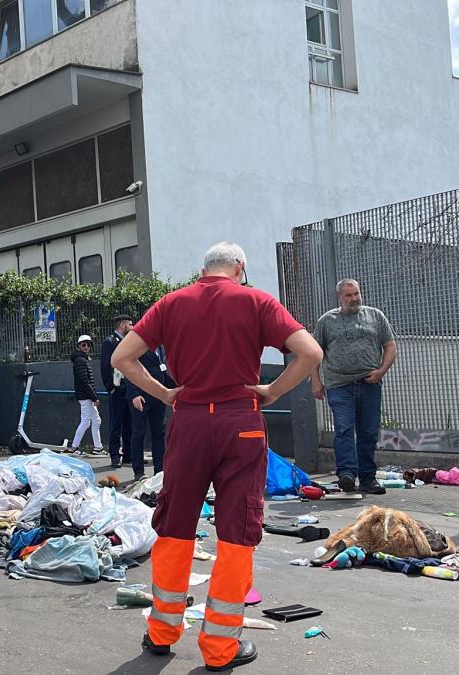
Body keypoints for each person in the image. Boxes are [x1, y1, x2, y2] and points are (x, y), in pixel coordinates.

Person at [113, 241, 321, 672]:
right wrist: (273, 390)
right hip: (240, 420)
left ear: (203, 268)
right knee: (236, 528)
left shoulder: (171, 304)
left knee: (174, 524)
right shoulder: (257, 301)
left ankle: (162, 632)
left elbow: (123, 358)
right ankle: (220, 648)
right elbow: (310, 353)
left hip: (188, 422)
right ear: (240, 268)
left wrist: (167, 393)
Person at [311, 279, 397, 496]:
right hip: (339, 385)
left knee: (368, 433)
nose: (354, 298)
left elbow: (390, 345)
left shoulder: (375, 316)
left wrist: (381, 371)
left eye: (356, 293)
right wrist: (316, 381)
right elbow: (313, 353)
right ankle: (347, 474)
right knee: (344, 428)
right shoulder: (327, 321)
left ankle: (368, 478)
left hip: (369, 383)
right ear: (339, 297)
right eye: (348, 295)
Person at [125, 346, 175, 478]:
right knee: (138, 433)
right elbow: (127, 367)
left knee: (159, 433)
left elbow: (162, 372)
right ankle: (139, 472)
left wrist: (177, 388)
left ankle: (159, 470)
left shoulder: (161, 347)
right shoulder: (139, 344)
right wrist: (133, 394)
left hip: (158, 396)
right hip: (141, 397)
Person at [100, 315, 134, 468]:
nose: (132, 327)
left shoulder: (129, 342)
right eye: (130, 324)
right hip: (118, 388)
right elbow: (105, 366)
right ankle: (115, 455)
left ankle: (128, 454)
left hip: (129, 388)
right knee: (116, 422)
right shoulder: (110, 342)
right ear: (122, 325)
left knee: (129, 422)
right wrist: (111, 388)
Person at [70, 335, 103, 452]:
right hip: (86, 396)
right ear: (79, 346)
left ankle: (98, 447)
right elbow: (85, 381)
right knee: (86, 421)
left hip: (86, 395)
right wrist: (94, 397)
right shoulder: (80, 360)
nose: (86, 347)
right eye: (84, 344)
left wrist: (92, 397)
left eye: (88, 345)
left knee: (95, 420)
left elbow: (85, 381)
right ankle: (75, 446)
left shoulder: (82, 359)